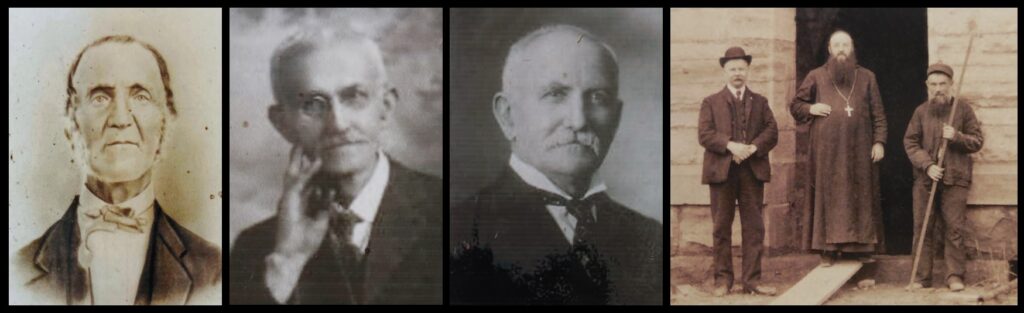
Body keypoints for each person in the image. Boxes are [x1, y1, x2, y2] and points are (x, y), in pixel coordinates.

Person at [449, 25, 661, 305]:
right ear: (508, 115)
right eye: (555, 94)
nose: (579, 120)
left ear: (617, 117)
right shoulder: (457, 232)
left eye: (598, 97)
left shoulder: (652, 238)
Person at [229, 30, 442, 304]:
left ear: (385, 107)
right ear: (282, 123)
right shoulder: (257, 248)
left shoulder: (450, 211)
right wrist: (288, 262)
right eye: (313, 105)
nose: (338, 124)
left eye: (354, 97)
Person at [10, 35, 221, 305]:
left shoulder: (214, 271)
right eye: (100, 98)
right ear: (71, 125)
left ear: (164, 123)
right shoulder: (17, 273)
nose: (121, 118)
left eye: (141, 96)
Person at [789, 30, 887, 266]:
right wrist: (811, 109)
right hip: (827, 152)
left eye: (845, 45)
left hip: (860, 150)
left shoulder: (866, 77)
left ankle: (861, 248)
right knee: (828, 195)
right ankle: (828, 250)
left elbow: (879, 115)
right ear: (829, 50)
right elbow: (796, 104)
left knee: (861, 196)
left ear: (852, 49)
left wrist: (879, 142)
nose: (841, 49)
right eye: (837, 45)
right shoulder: (816, 76)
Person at [698, 46, 779, 297]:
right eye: (732, 69)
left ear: (748, 71)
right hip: (722, 172)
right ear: (724, 71)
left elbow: (771, 131)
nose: (737, 73)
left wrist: (753, 148)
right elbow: (705, 134)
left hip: (751, 171)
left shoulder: (761, 102)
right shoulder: (710, 102)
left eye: (741, 69)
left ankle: (752, 281)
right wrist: (730, 145)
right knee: (721, 227)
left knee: (754, 227)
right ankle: (723, 281)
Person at [904, 63, 984, 292]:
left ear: (951, 85)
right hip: (925, 179)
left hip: (955, 179)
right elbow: (910, 142)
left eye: (942, 84)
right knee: (922, 228)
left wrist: (956, 136)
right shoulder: (920, 112)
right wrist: (927, 165)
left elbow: (977, 141)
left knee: (954, 229)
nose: (938, 89)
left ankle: (954, 276)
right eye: (933, 84)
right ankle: (921, 278)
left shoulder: (964, 110)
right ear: (927, 86)